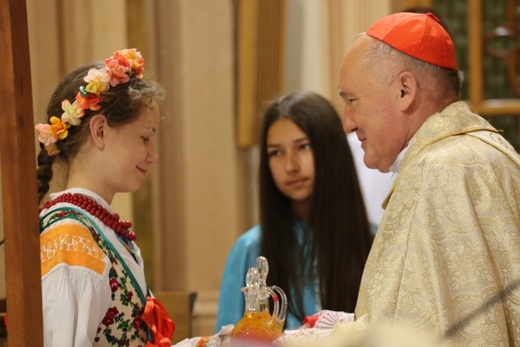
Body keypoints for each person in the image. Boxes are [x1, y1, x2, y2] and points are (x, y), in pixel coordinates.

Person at [283, 11, 520, 346]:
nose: (347, 123)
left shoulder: (439, 171)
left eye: (352, 100)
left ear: (405, 90)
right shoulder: (487, 149)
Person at [35, 48, 175, 346]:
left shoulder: (96, 226)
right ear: (100, 131)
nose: (153, 155)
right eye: (145, 138)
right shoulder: (70, 237)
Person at [215, 91, 373, 332]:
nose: (290, 166)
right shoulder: (249, 249)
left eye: (303, 147)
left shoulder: (376, 242)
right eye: (276, 152)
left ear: (332, 150)